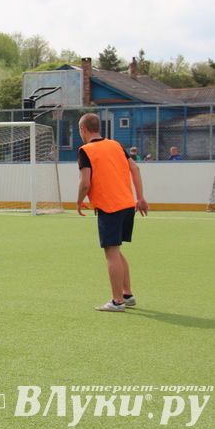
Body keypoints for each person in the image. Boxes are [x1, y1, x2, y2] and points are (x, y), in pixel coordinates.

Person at [76, 113, 149, 312]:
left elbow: (85, 182)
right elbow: (135, 169)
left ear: (83, 130)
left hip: (110, 206)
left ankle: (117, 301)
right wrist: (140, 198)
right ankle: (127, 294)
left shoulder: (85, 150)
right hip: (127, 205)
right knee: (116, 251)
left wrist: (79, 201)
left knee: (111, 253)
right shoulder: (116, 145)